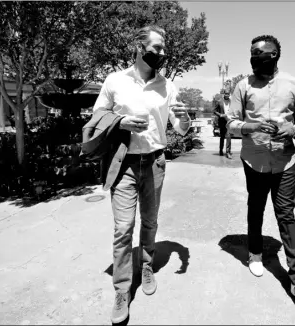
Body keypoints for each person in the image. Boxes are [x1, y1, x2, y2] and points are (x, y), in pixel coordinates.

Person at [92, 25, 191, 324]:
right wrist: (121, 122)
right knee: (123, 228)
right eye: (157, 48)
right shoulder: (115, 80)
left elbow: (180, 127)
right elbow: (97, 116)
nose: (162, 53)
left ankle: (146, 265)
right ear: (139, 47)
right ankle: (122, 289)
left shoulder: (167, 86)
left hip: (156, 161)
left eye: (162, 49)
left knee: (150, 221)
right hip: (123, 163)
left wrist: (184, 120)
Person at [227, 34, 295, 308]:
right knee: (255, 207)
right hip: (253, 160)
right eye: (252, 52)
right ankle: (255, 254)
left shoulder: (294, 84)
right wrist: (250, 127)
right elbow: (230, 122)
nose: (255, 56)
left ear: (275, 54)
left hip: (285, 161)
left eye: (260, 52)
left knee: (286, 215)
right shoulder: (242, 86)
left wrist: (294, 129)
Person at [214, 91, 233, 159]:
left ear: (229, 94)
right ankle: (221, 150)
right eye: (226, 94)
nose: (227, 95)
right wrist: (220, 115)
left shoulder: (232, 102)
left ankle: (228, 152)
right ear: (223, 94)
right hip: (222, 121)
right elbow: (215, 111)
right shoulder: (219, 101)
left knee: (228, 136)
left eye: (228, 94)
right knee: (222, 137)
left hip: (229, 121)